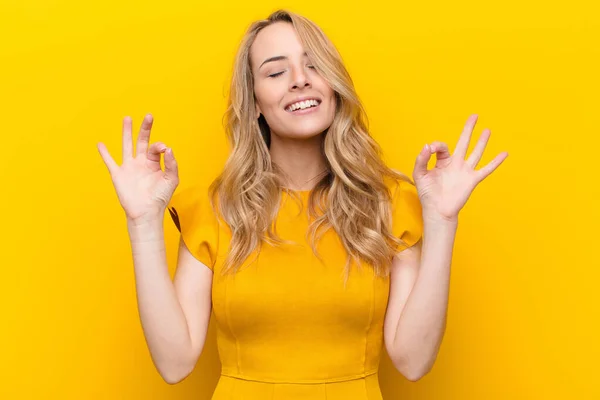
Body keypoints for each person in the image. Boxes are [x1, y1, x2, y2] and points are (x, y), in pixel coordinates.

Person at [97, 9, 508, 400]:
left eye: (314, 66)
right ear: (255, 101)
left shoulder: (391, 204)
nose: (299, 80)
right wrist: (142, 222)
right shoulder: (213, 208)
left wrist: (440, 219)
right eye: (276, 72)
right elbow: (174, 362)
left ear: (334, 85)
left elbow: (414, 361)